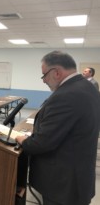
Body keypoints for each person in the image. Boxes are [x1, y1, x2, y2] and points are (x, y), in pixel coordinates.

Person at [15, 51, 100, 205]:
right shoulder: (88, 87)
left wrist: (22, 139)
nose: (43, 81)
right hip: (78, 175)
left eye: (44, 75)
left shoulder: (66, 95)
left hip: (63, 184)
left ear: (57, 72)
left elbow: (42, 143)